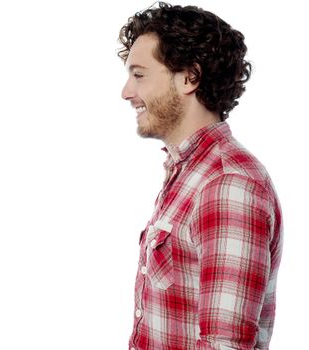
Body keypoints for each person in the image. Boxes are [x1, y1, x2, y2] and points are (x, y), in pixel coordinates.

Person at [118, 3, 282, 349]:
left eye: (140, 75)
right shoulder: (189, 172)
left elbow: (225, 345)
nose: (127, 92)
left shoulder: (228, 184)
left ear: (189, 77)